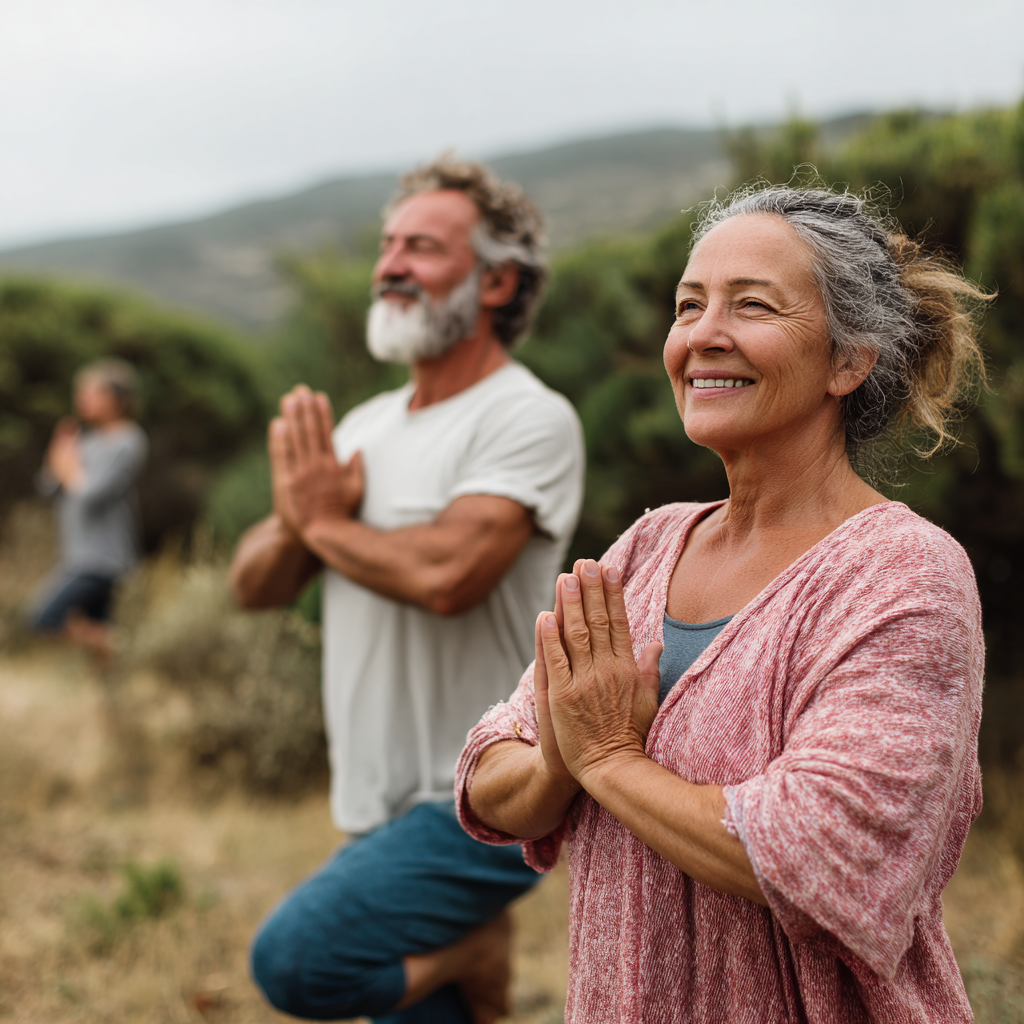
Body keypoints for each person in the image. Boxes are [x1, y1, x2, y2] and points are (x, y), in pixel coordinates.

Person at [459, 184, 989, 1023]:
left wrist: (606, 760)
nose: (703, 334)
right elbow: (489, 771)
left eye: (752, 305)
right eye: (688, 305)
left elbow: (820, 851)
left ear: (849, 362)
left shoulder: (901, 573)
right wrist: (561, 763)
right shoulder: (648, 547)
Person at [230, 157, 585, 1023]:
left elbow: (446, 576)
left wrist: (321, 521)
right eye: (388, 244)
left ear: (497, 280)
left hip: (484, 792)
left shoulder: (527, 417)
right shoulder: (365, 426)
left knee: (297, 962)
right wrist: (299, 522)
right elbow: (254, 584)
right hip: (372, 797)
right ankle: (465, 965)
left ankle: (474, 949)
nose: (390, 264)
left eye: (422, 247)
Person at [30, 358, 148, 661]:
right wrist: (58, 453)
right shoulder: (87, 441)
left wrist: (69, 467)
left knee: (43, 617)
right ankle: (111, 678)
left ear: (116, 399)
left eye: (90, 393)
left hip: (102, 558)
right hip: (77, 553)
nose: (81, 399)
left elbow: (90, 495)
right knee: (97, 633)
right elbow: (48, 488)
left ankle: (119, 645)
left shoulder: (128, 440)